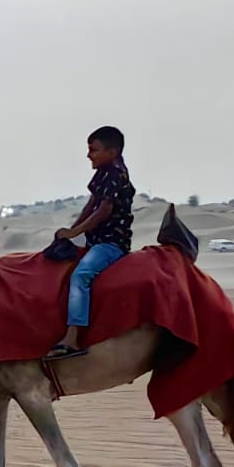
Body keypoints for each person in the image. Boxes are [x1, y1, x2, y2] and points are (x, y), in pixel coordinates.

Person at [47, 126, 134, 360]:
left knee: (81, 275)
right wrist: (71, 232)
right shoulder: (103, 173)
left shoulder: (116, 174)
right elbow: (91, 205)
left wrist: (75, 231)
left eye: (93, 150)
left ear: (112, 151)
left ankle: (73, 338)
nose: (89, 155)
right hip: (95, 241)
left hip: (111, 243)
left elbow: (103, 210)